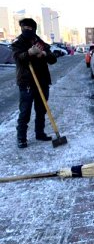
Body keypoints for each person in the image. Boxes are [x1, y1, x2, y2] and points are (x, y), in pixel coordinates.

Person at [11, 18, 57, 148]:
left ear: (34, 29)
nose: (26, 30)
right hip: (26, 83)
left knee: (41, 110)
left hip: (42, 81)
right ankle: (21, 138)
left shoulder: (39, 42)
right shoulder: (18, 42)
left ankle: (40, 133)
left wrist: (43, 53)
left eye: (29, 28)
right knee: (25, 111)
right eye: (24, 28)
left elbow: (53, 59)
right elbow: (18, 58)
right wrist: (29, 53)